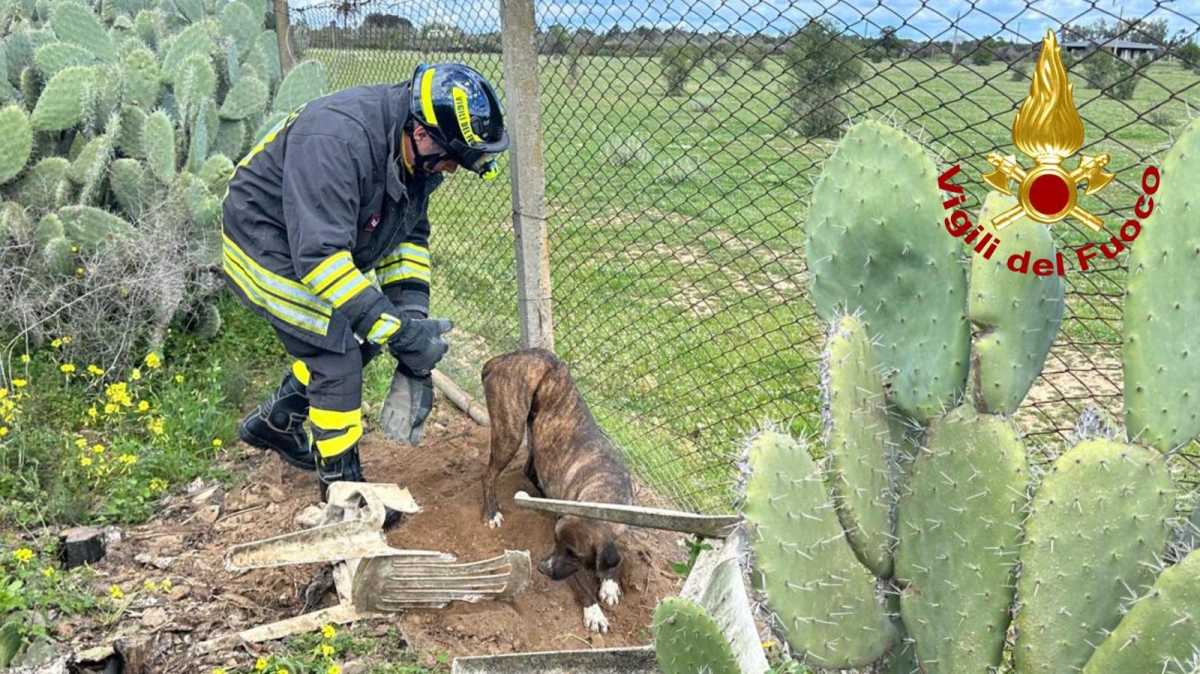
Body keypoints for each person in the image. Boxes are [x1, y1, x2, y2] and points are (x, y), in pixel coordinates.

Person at [221, 62, 510, 498]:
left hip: (313, 242)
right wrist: (401, 335)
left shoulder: (415, 153)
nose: (451, 170)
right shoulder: (335, 141)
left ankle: (278, 421)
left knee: (369, 329)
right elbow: (320, 261)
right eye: (451, 159)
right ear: (422, 132)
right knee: (337, 353)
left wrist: (410, 320)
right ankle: (343, 495)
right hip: (263, 242)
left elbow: (407, 235)